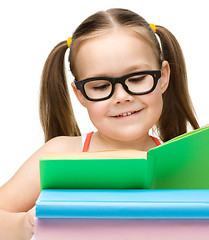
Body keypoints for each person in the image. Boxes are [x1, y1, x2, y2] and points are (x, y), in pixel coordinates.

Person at [0, 8, 199, 240]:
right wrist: (24, 226)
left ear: (163, 76)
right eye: (101, 86)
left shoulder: (183, 162)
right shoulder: (60, 152)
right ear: (80, 94)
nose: (122, 96)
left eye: (136, 79)